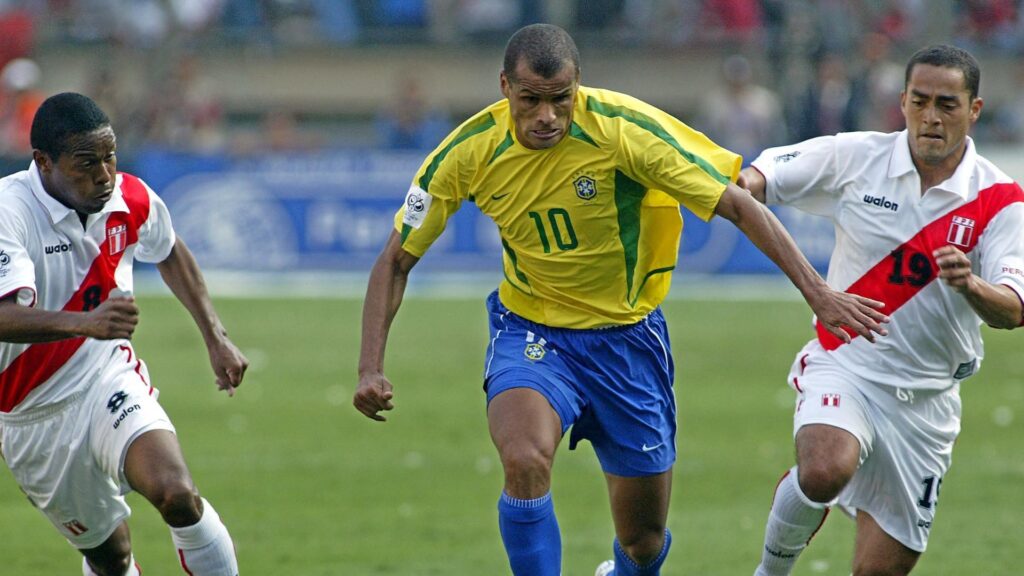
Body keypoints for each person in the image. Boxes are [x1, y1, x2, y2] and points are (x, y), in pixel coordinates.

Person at [353, 24, 887, 576]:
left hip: (627, 340)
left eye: (560, 100)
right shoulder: (467, 152)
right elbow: (396, 258)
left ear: (578, 87)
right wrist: (370, 367)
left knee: (643, 541)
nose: (546, 116)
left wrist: (818, 292)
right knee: (524, 457)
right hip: (531, 332)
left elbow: (739, 207)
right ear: (505, 86)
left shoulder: (622, 132)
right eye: (530, 100)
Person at [740, 44, 1024, 576]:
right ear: (902, 101)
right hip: (848, 365)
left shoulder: (1000, 199)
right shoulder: (858, 156)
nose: (930, 117)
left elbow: (1012, 309)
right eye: (919, 102)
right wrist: (743, 185)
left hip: (926, 403)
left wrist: (970, 286)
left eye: (946, 104)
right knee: (824, 466)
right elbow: (763, 175)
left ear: (975, 110)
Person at [0, 92, 246, 576]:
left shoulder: (127, 196)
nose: (104, 175)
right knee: (111, 557)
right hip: (29, 413)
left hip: (105, 378)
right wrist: (84, 323)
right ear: (43, 163)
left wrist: (215, 336)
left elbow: (169, 247)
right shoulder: (9, 212)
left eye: (110, 157)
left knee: (178, 496)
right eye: (86, 163)